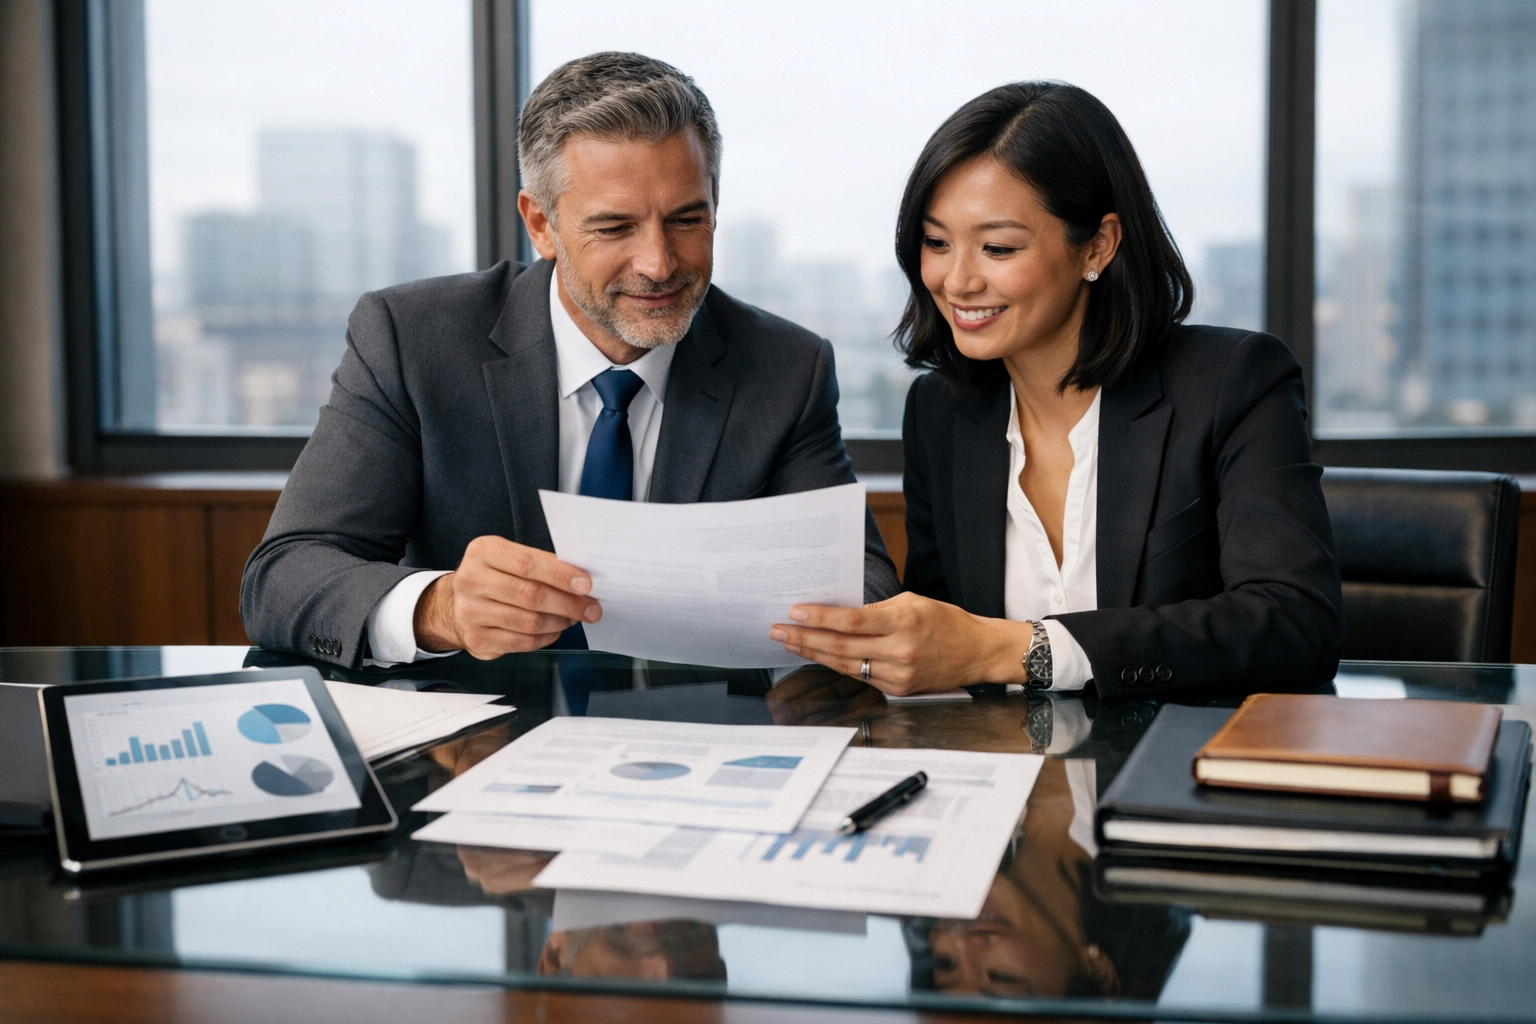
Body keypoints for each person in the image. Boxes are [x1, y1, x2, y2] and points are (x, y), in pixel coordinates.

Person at [240, 52, 898, 667]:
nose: (659, 263)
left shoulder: (785, 368)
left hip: (700, 741)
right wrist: (439, 609)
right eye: (615, 228)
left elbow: (862, 588)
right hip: (473, 748)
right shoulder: (413, 341)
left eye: (687, 220)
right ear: (541, 225)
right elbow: (284, 576)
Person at [771, 82, 1341, 697]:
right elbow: (943, 652)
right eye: (936, 243)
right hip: (1002, 777)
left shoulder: (1234, 380)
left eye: (997, 247)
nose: (956, 280)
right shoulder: (942, 412)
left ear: (1097, 245)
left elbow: (1295, 626)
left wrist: (1024, 650)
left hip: (1173, 775)